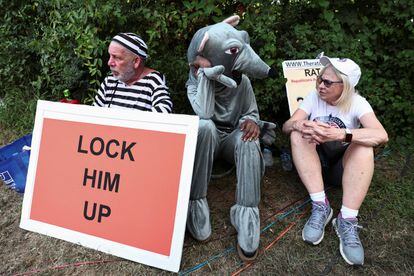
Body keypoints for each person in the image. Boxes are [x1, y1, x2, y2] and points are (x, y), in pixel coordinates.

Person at [185, 16, 276, 262]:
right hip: (210, 140)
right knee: (204, 127)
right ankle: (196, 201)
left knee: (248, 139)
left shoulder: (242, 81)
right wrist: (204, 75)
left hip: (231, 139)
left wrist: (251, 123)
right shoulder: (193, 84)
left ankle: (246, 213)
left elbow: (251, 112)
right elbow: (203, 112)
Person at [282, 56, 388, 265]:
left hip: (342, 170)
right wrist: (299, 125)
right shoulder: (314, 97)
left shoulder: (358, 103)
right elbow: (287, 125)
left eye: (328, 82)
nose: (321, 85)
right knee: (297, 134)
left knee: (365, 147)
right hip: (315, 166)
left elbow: (381, 135)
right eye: (320, 79)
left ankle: (346, 219)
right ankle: (321, 206)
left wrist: (340, 135)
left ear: (345, 86)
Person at [93, 33, 172, 113]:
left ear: (136, 61)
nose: (109, 63)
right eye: (110, 56)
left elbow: (164, 111)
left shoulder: (153, 80)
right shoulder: (110, 80)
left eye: (116, 57)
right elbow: (93, 114)